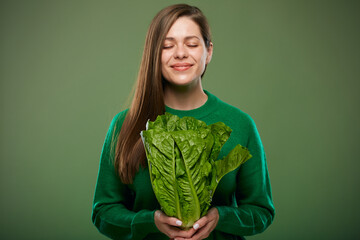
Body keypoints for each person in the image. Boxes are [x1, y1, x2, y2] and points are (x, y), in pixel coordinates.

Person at [92, 4, 275, 240]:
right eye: (167, 46)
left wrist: (221, 217)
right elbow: (103, 213)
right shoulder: (125, 124)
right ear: (154, 54)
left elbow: (261, 212)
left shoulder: (240, 124)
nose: (180, 53)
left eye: (191, 44)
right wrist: (150, 221)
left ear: (208, 52)